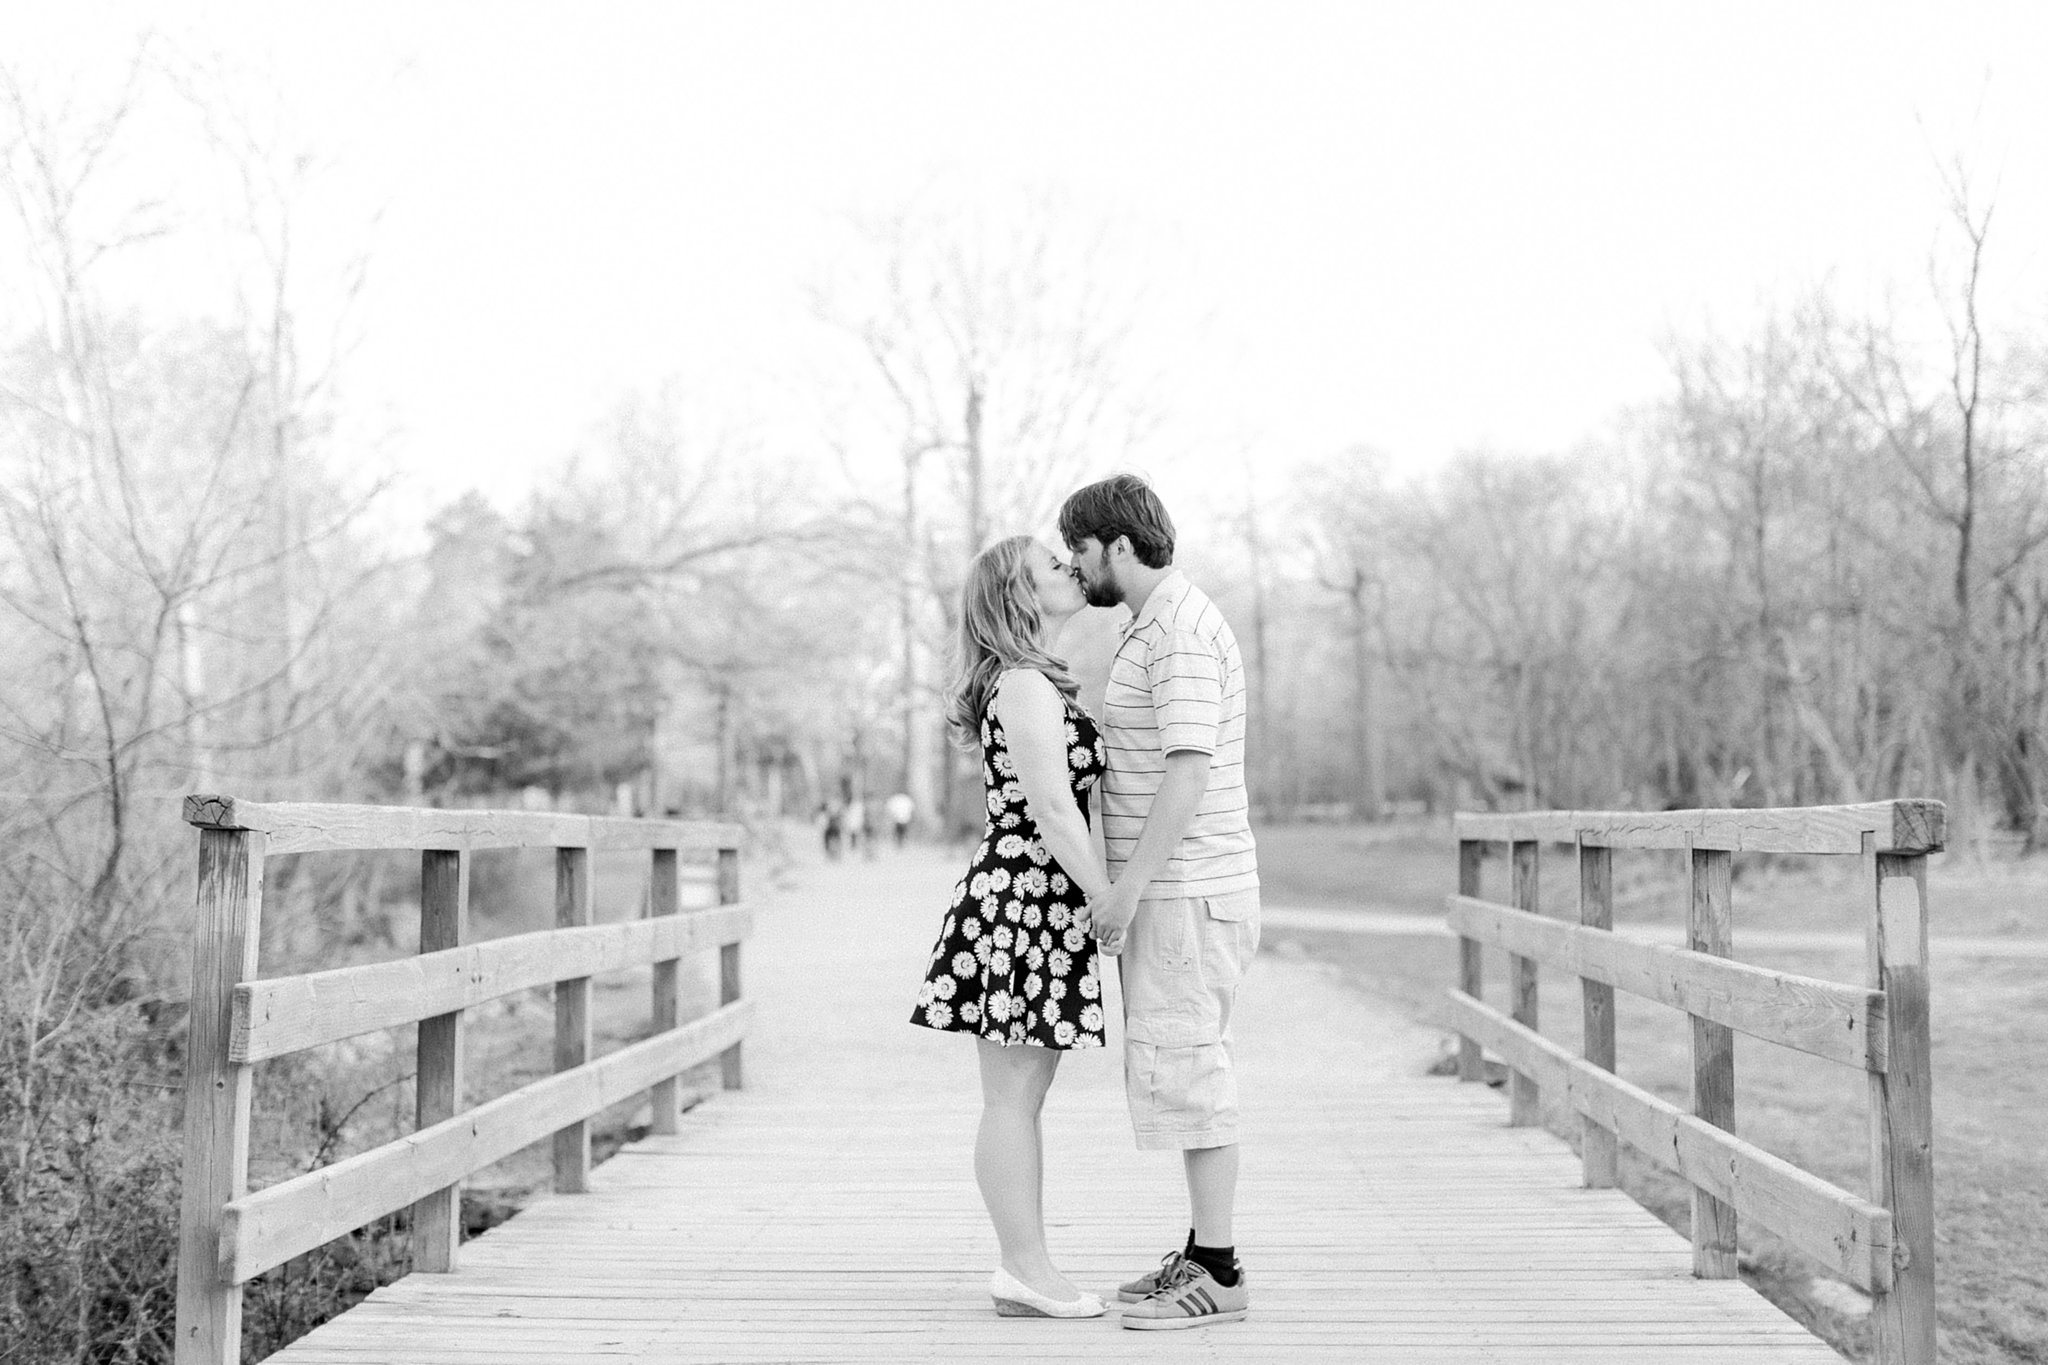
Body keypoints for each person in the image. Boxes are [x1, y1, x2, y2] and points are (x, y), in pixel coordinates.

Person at [1061, 473, 1260, 1330]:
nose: (1075, 565)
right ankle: (1200, 1249)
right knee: (1181, 1061)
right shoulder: (1156, 625)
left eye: (1081, 547)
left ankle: (1217, 1272)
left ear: (1118, 544)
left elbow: (1188, 769)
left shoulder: (1176, 631)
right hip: (1176, 889)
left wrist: (1126, 888)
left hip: (1183, 891)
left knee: (1192, 1064)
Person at [909, 535, 1111, 1320]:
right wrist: (1105, 896)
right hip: (1023, 898)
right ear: (1018, 596)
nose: (1068, 568)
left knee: (1019, 1095)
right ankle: (1023, 1267)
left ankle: (1026, 1265)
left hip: (1033, 900)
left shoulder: (1033, 680)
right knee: (1012, 1098)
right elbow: (1053, 809)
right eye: (1051, 565)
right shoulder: (1024, 684)